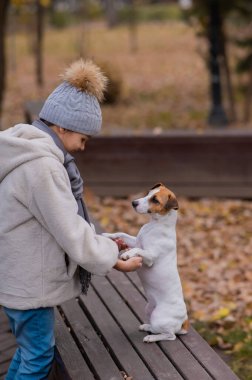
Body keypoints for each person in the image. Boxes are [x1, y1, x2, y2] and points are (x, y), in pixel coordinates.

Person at [0, 59, 142, 379]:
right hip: (29, 288)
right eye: (83, 138)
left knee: (30, 352)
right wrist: (113, 257)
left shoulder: (22, 149)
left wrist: (104, 242)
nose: (83, 146)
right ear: (62, 126)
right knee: (38, 359)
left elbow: (62, 222)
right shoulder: (43, 167)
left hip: (16, 280)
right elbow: (72, 234)